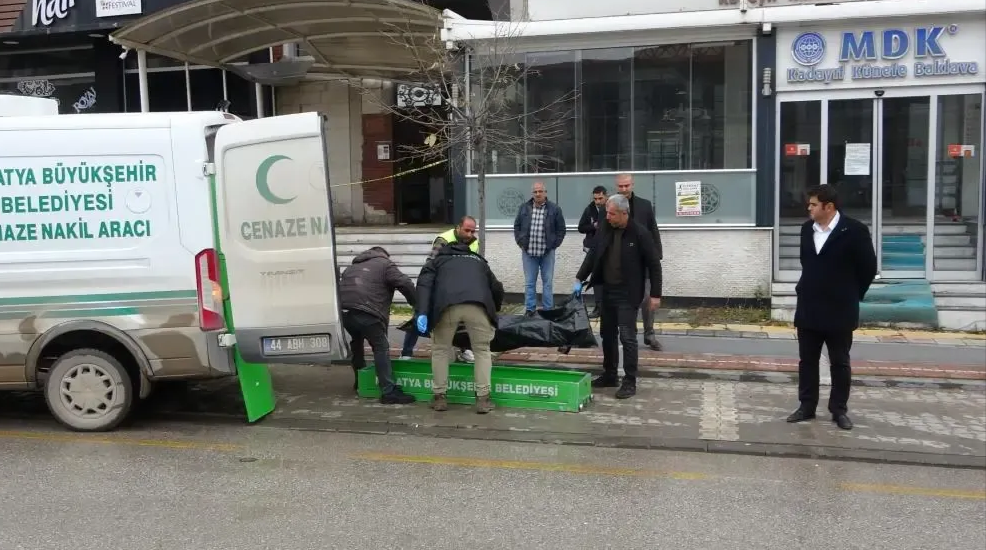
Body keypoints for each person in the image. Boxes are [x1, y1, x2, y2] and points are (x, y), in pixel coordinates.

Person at [786, 184, 876, 431]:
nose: (809, 208)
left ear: (829, 206)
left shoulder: (855, 230)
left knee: (840, 362)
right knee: (807, 361)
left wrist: (851, 294)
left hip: (840, 309)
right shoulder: (807, 230)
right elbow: (808, 263)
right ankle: (806, 407)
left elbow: (868, 267)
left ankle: (838, 410)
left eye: (813, 204)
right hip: (809, 306)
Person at [574, 194, 662, 399]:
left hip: (628, 293)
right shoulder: (605, 228)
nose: (607, 217)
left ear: (624, 214)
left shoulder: (639, 233)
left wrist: (655, 294)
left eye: (612, 214)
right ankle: (610, 374)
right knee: (607, 334)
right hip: (608, 290)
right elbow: (593, 254)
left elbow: (654, 265)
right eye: (607, 213)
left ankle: (630, 381)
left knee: (627, 336)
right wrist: (579, 278)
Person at [415, 241, 505, 414]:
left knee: (440, 349)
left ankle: (439, 398)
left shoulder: (436, 261)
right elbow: (497, 287)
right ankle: (483, 399)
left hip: (447, 306)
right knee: (482, 351)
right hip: (478, 306)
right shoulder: (478, 260)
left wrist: (422, 312)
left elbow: (424, 285)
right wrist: (494, 308)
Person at [339, 246, 417, 404]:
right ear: (384, 255)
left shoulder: (351, 267)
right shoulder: (385, 264)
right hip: (368, 311)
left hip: (345, 312)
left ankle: (360, 381)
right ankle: (388, 391)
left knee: (356, 342)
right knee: (380, 346)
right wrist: (417, 303)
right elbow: (404, 282)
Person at [400, 216, 480, 363]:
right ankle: (406, 353)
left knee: (461, 319)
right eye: (467, 230)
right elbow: (430, 264)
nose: (470, 234)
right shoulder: (443, 240)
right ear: (458, 228)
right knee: (420, 317)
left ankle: (465, 349)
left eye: (472, 231)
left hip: (458, 286)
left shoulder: (474, 243)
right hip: (439, 285)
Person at [615, 173, 664, 351]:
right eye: (620, 186)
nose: (624, 189)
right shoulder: (611, 207)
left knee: (647, 299)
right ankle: (630, 335)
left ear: (632, 185)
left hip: (643, 262)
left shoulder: (644, 205)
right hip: (621, 263)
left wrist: (657, 254)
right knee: (628, 301)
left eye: (627, 185)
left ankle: (649, 334)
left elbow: (653, 229)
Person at [513, 180, 566, 315]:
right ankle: (530, 309)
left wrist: (554, 245)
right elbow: (517, 226)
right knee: (530, 283)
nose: (538, 194)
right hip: (529, 253)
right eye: (535, 191)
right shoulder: (524, 207)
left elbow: (561, 229)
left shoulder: (554, 209)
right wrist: (520, 242)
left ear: (545, 192)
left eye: (540, 191)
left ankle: (548, 310)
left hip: (547, 252)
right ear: (532, 193)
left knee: (547, 283)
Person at [577, 185, 608, 318]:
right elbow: (581, 227)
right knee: (596, 278)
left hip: (607, 248)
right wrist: (593, 226)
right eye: (595, 199)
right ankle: (598, 306)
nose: (598, 201)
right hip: (592, 247)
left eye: (600, 198)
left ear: (606, 196)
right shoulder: (589, 209)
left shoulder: (610, 208)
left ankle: (608, 306)